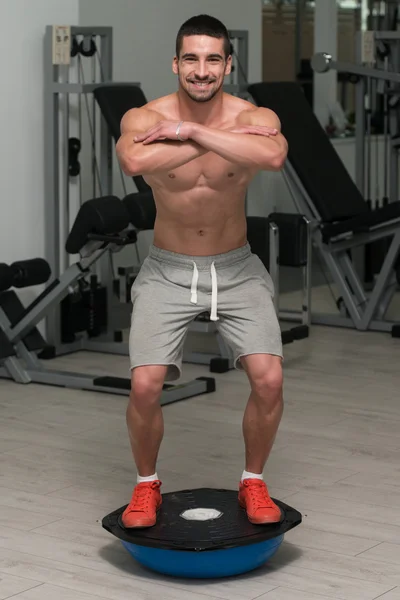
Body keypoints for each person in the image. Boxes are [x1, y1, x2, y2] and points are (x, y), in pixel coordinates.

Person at [116, 14, 288, 529]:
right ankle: (146, 486)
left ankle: (253, 481)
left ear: (228, 64)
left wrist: (190, 131)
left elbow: (274, 155)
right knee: (145, 385)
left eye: (213, 59)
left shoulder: (255, 114)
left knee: (270, 379)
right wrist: (221, 137)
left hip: (236, 267)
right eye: (191, 58)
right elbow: (132, 162)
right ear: (175, 63)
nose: (201, 69)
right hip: (167, 269)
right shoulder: (143, 118)